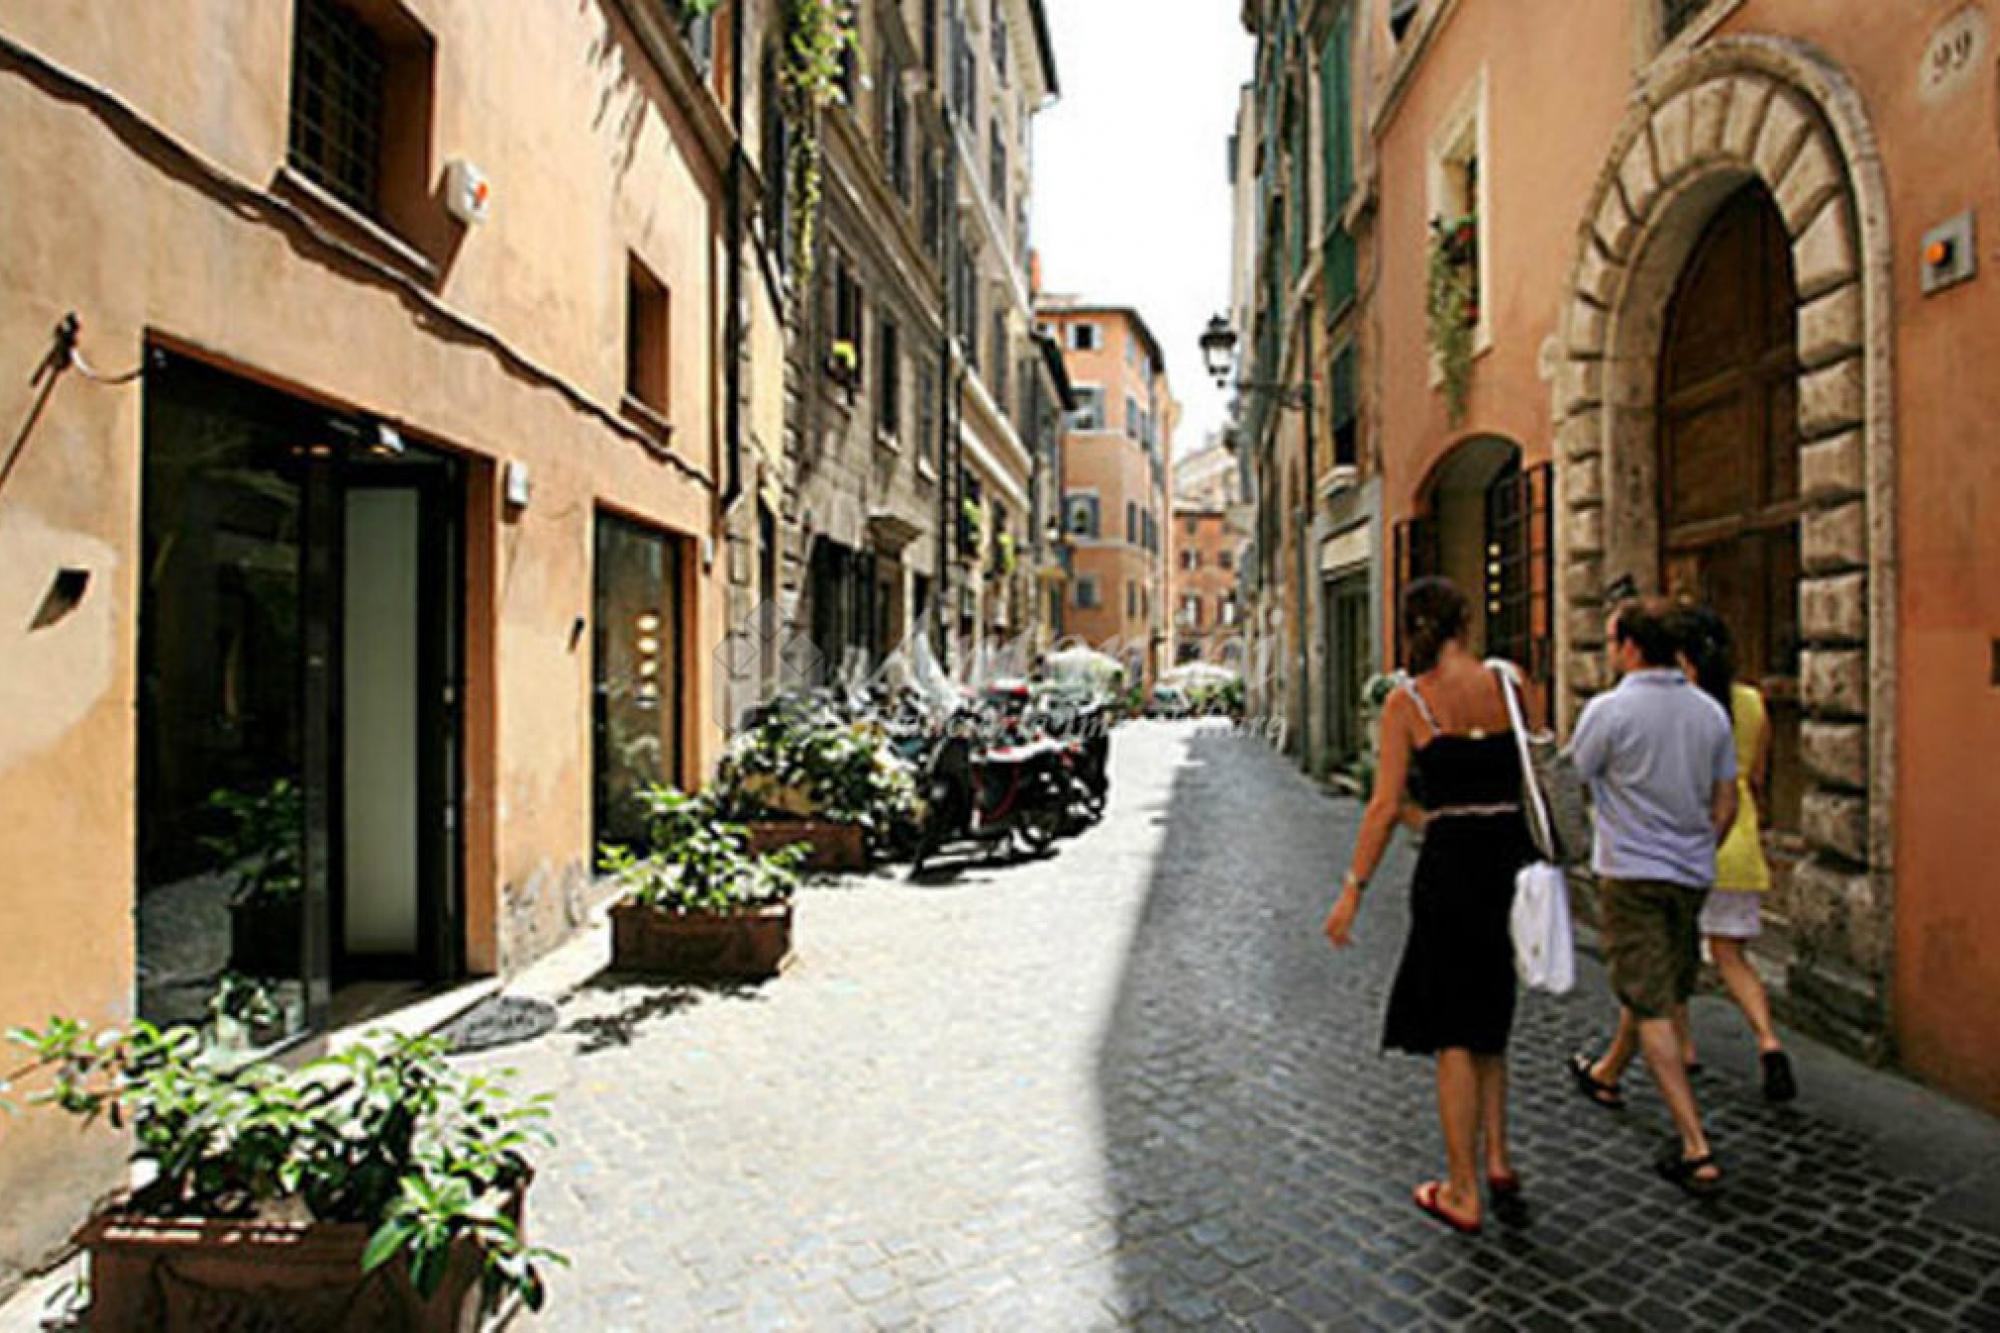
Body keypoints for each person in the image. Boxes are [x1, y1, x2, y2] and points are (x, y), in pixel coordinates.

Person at [1324, 578, 1538, 1235]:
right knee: (1491, 1019)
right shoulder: (1511, 683)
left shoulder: (1407, 702)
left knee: (1453, 1031)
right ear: (1465, 622)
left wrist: (1353, 887)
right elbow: (1534, 765)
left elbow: (1385, 805)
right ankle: (1499, 1158)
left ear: (1413, 626)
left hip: (1450, 870)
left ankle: (1462, 1188)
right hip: (1509, 859)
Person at [1587, 606, 1797, 1102]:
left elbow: (1582, 772)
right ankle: (1764, 1040)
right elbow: (1749, 782)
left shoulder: (1646, 707)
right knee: (1717, 960)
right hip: (1722, 848)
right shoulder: (1734, 707)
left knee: (1654, 976)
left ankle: (1686, 1094)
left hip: (1658, 852)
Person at [1565, 597, 1738, 1195]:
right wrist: (1695, 848)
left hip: (1631, 874)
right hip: (1690, 875)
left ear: (1631, 647)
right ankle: (1607, 1073)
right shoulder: (1711, 714)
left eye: (1613, 640)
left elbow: (1572, 780)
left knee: (1653, 1000)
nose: (1610, 651)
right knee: (1655, 983)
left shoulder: (1608, 712)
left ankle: (1695, 1146)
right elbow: (1727, 804)